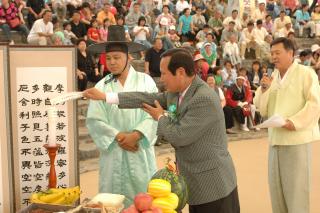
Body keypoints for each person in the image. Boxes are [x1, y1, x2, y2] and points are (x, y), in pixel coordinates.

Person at [83, 48, 240, 213]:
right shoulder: (177, 92)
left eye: (164, 73)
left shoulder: (203, 98)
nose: (161, 78)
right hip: (193, 180)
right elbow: (147, 98)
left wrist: (160, 117)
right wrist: (106, 97)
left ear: (180, 72)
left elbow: (179, 136)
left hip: (213, 183)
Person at [85, 25, 158, 208]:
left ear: (129, 57)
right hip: (113, 151)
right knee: (112, 201)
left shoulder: (145, 81)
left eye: (117, 57)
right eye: (108, 58)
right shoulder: (101, 86)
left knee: (142, 200)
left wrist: (136, 135)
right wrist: (119, 136)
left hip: (139, 148)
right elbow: (95, 120)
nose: (112, 62)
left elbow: (155, 113)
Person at [254, 37, 320, 213]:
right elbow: (262, 109)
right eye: (272, 53)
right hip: (275, 140)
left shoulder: (306, 73)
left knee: (296, 192)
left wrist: (294, 122)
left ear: (290, 53)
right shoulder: (272, 77)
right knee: (277, 192)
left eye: (278, 53)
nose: (274, 57)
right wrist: (264, 89)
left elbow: (314, 104)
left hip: (296, 140)